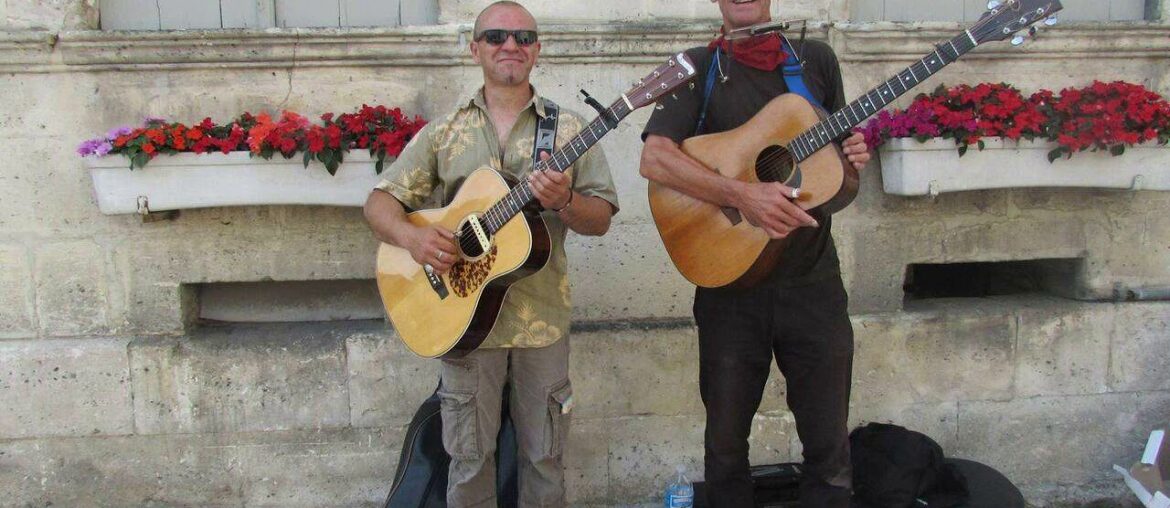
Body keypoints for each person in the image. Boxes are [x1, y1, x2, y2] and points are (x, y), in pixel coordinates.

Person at [362, 2, 619, 505]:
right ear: (475, 47)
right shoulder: (445, 132)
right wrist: (414, 239)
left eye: (524, 37)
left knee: (544, 458)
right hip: (460, 322)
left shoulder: (568, 130)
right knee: (468, 458)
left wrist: (564, 200)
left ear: (538, 50)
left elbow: (602, 220)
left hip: (541, 321)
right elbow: (379, 204)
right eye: (497, 35)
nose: (511, 46)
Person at [638, 0, 871, 506]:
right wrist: (741, 195)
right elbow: (655, 158)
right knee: (724, 445)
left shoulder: (815, 60)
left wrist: (852, 159)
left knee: (829, 442)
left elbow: (835, 181)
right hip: (729, 289)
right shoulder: (696, 66)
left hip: (813, 284)